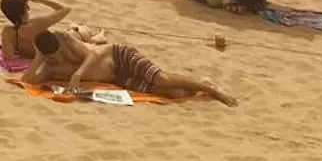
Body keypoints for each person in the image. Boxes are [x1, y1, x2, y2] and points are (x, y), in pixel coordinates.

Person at [26, 31, 237, 105]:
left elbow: (92, 54)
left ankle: (212, 89)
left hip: (119, 56)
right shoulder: (48, 64)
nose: (60, 56)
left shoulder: (65, 39)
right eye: (55, 56)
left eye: (60, 52)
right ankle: (203, 83)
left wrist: (78, 73)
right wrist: (37, 57)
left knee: (161, 79)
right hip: (116, 78)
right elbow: (29, 80)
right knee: (173, 93)